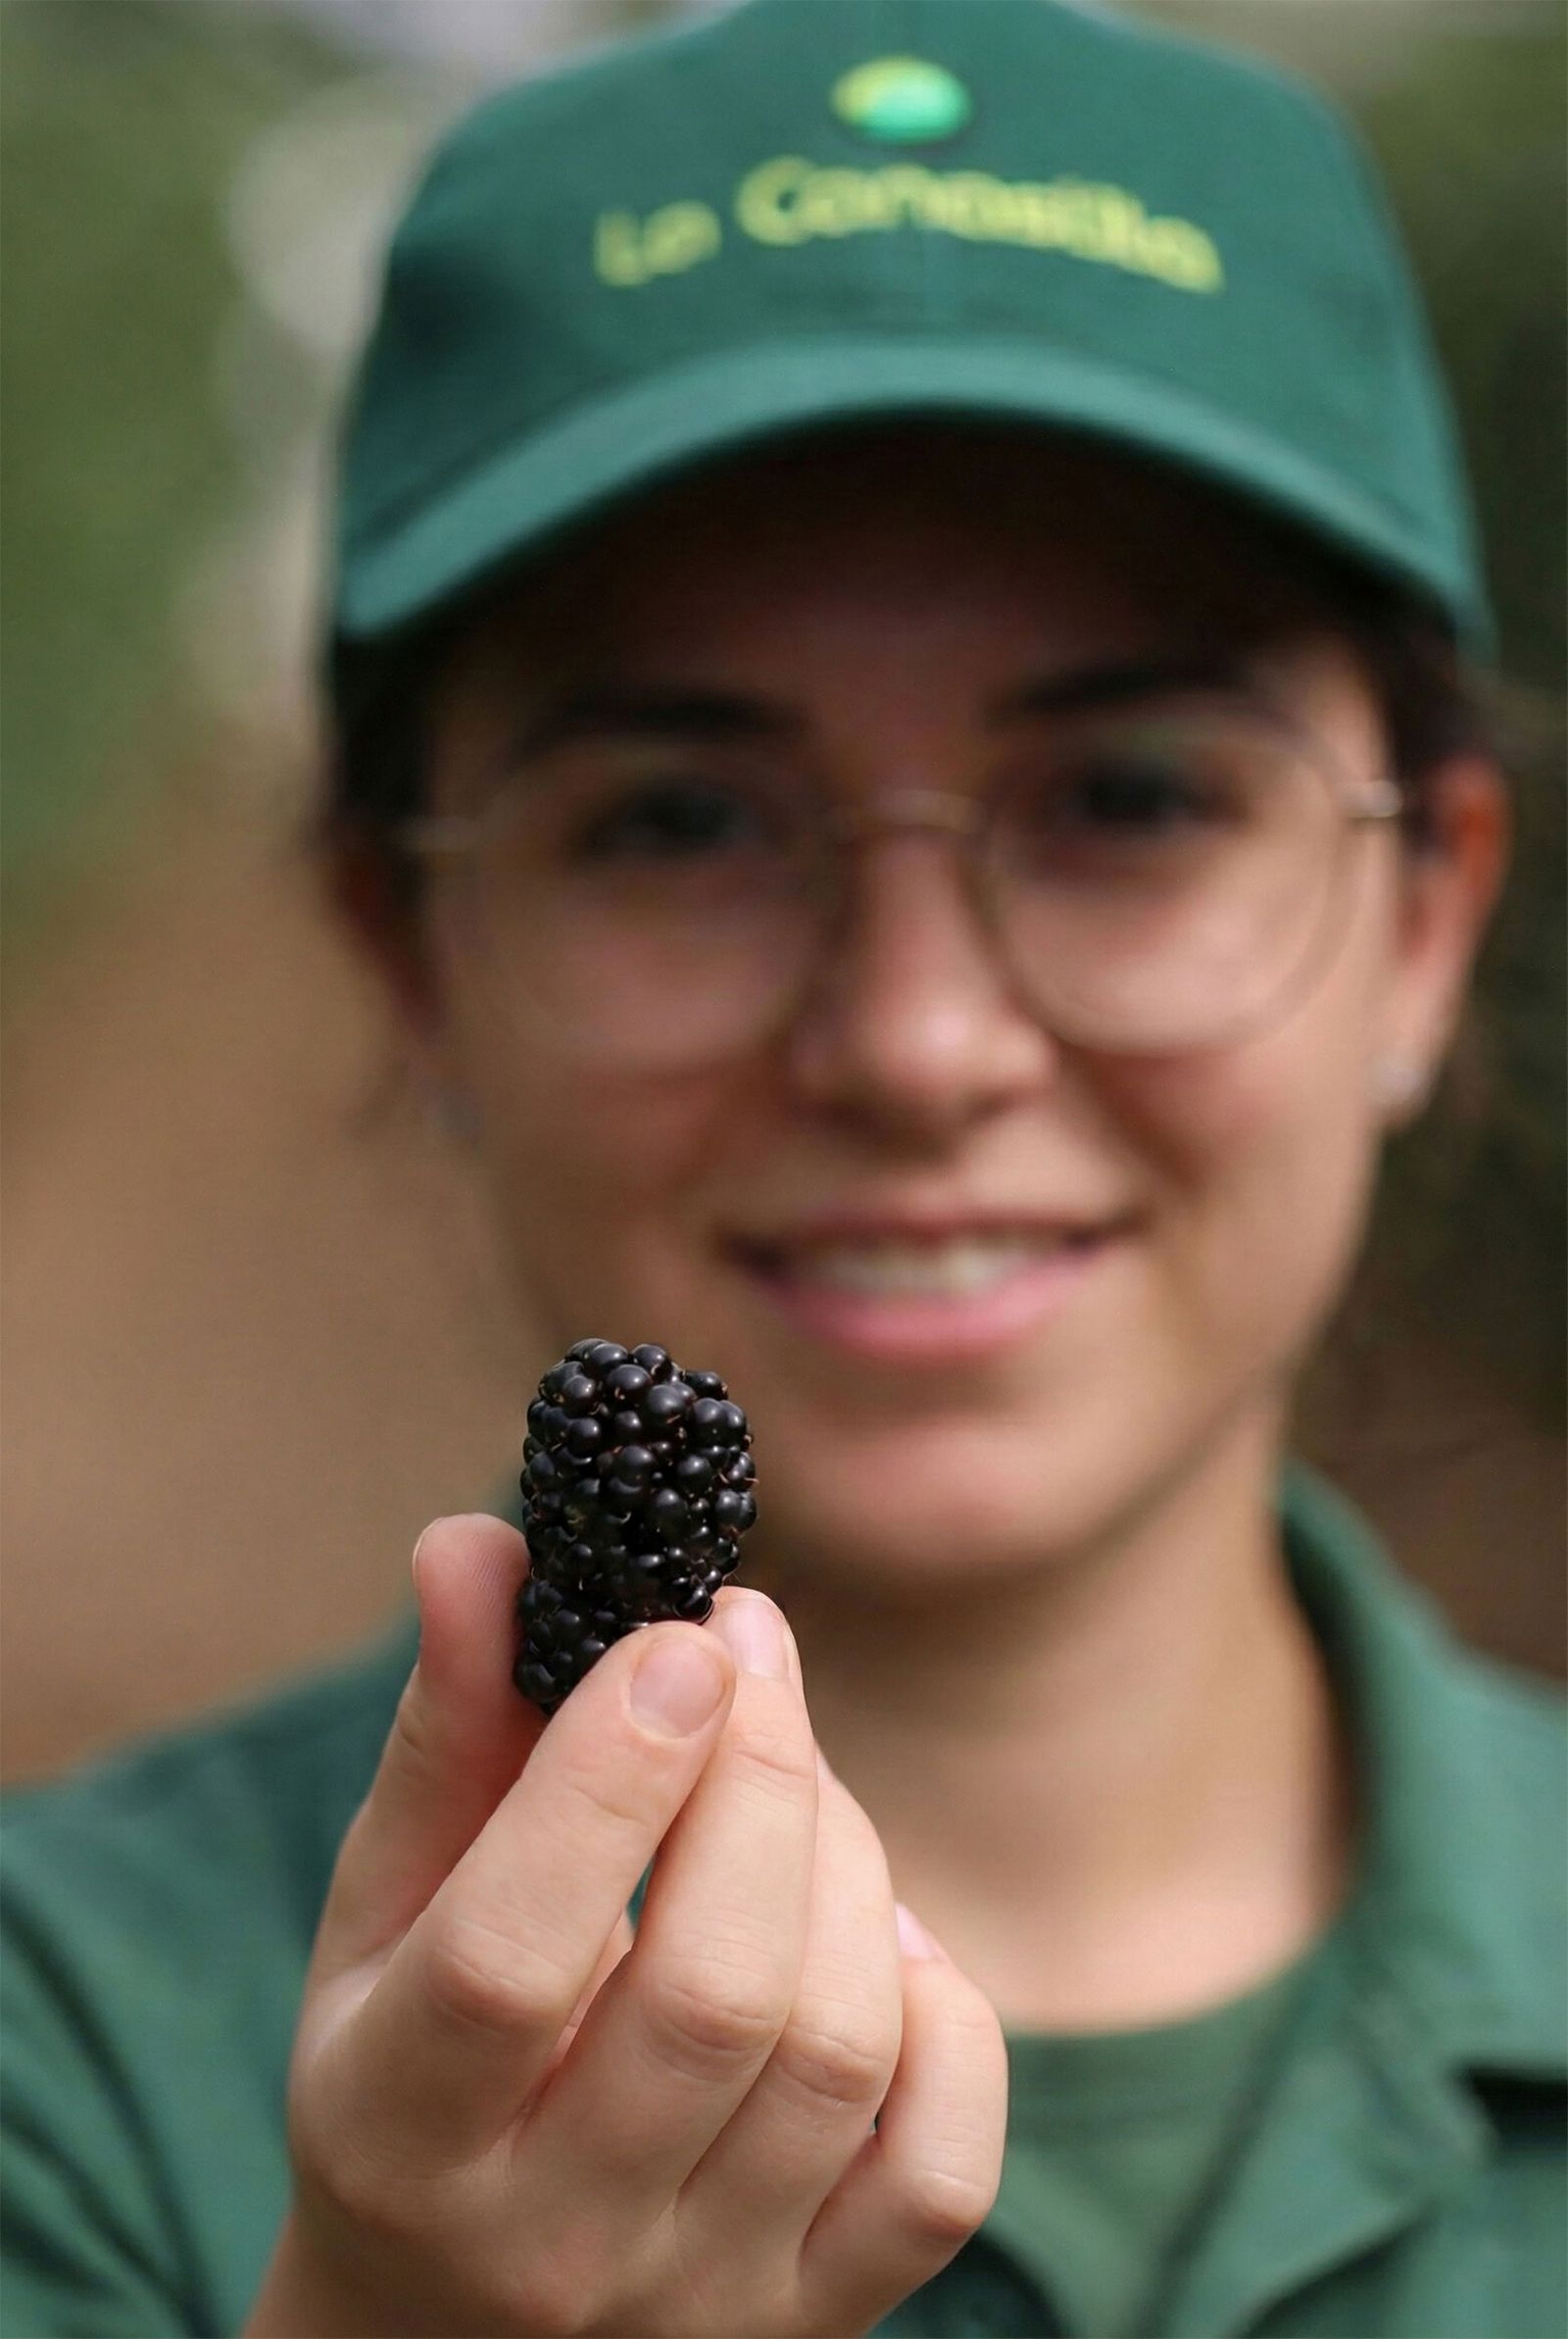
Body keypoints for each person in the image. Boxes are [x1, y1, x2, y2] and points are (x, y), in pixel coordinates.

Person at [3, 1, 1563, 2333]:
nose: (916, 1040)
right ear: (408, 948)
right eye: (682, 822)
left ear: (1422, 915)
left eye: (1127, 798)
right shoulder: (67, 2061)